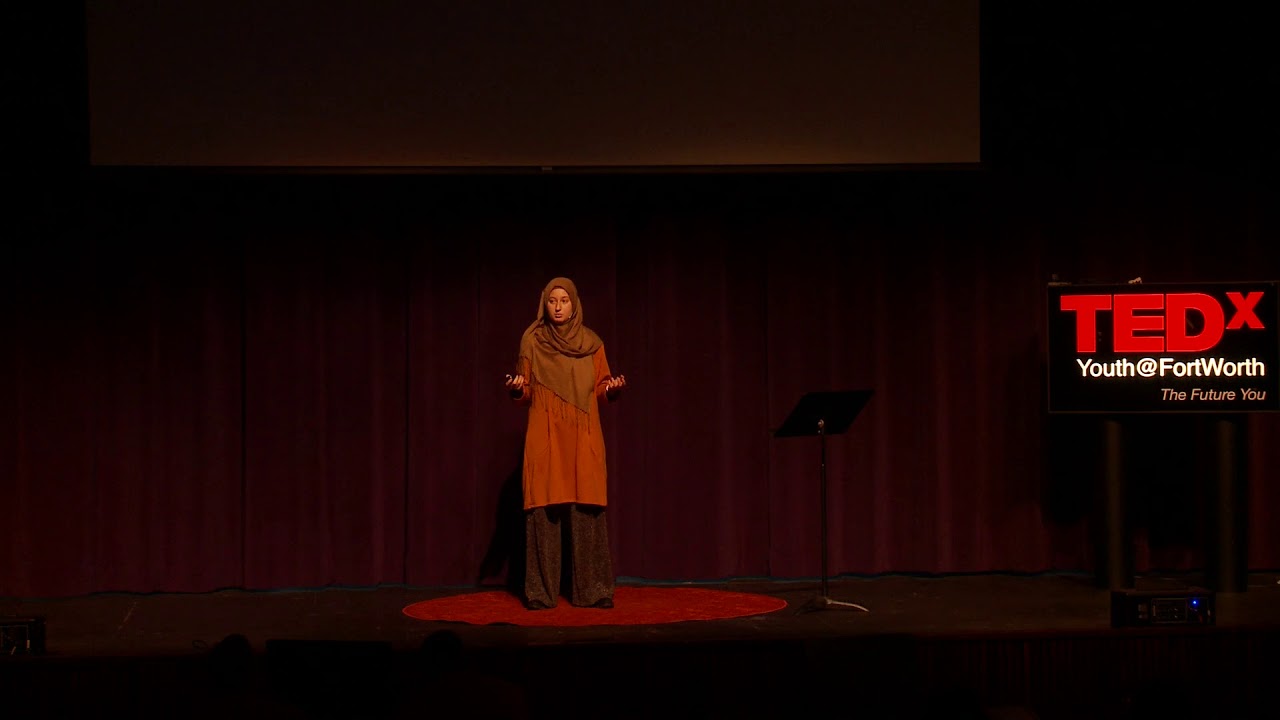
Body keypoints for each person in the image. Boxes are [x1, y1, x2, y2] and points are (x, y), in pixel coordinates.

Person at [504, 277, 626, 610]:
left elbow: (601, 387)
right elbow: (525, 390)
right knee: (543, 513)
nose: (558, 307)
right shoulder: (532, 341)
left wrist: (611, 389)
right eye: (552, 301)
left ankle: (594, 590)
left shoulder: (592, 343)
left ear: (574, 304)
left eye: (564, 301)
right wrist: (517, 387)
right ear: (544, 304)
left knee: (587, 512)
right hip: (546, 433)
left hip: (583, 435)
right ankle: (540, 592)